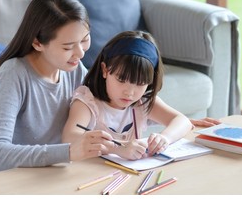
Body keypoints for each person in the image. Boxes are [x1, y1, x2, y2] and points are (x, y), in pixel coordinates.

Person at [0, 0, 115, 181]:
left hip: (34, 178)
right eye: (68, 46)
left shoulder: (75, 69)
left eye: (85, 39)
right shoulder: (13, 74)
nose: (80, 53)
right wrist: (69, 151)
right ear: (38, 42)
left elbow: (109, 107)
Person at [62, 30, 207, 161]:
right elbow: (69, 138)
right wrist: (117, 148)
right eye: (121, 80)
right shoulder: (87, 102)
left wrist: (164, 138)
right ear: (105, 70)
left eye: (140, 83)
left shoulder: (142, 103)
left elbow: (183, 121)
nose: (130, 92)